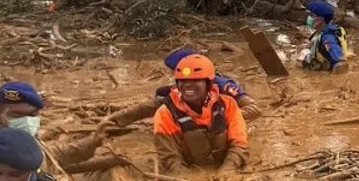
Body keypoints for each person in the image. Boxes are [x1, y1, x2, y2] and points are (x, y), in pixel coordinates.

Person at [0, 82, 106, 174]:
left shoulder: (30, 140)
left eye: (32, 115)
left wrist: (93, 141)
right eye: (17, 116)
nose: (26, 121)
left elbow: (54, 157)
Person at [105, 48, 263, 128]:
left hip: (217, 127)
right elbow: (150, 106)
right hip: (191, 116)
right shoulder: (181, 88)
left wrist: (219, 117)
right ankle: (111, 123)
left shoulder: (222, 86)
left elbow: (254, 109)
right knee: (161, 96)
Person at [153, 54, 249, 175]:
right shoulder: (165, 113)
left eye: (195, 80)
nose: (187, 85)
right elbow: (170, 158)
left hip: (225, 165)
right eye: (182, 80)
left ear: (208, 83)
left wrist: (227, 172)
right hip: (189, 168)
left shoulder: (228, 104)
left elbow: (239, 143)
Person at [301, 1, 347, 71]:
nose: (309, 18)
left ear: (321, 19)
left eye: (312, 15)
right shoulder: (320, 32)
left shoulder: (328, 37)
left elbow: (340, 62)